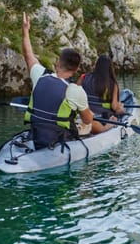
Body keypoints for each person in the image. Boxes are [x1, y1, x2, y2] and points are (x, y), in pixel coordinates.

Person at [22, 12, 94, 149]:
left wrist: (25, 31)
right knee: (87, 124)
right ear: (77, 68)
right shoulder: (76, 91)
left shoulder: (40, 76)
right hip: (59, 139)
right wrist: (89, 113)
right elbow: (87, 120)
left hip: (36, 134)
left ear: (57, 61)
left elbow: (28, 55)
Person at [78, 55, 126, 129]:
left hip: (84, 114)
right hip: (102, 117)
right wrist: (121, 108)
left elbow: (75, 94)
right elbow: (114, 106)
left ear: (97, 66)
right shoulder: (112, 83)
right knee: (121, 110)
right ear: (110, 68)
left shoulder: (84, 77)